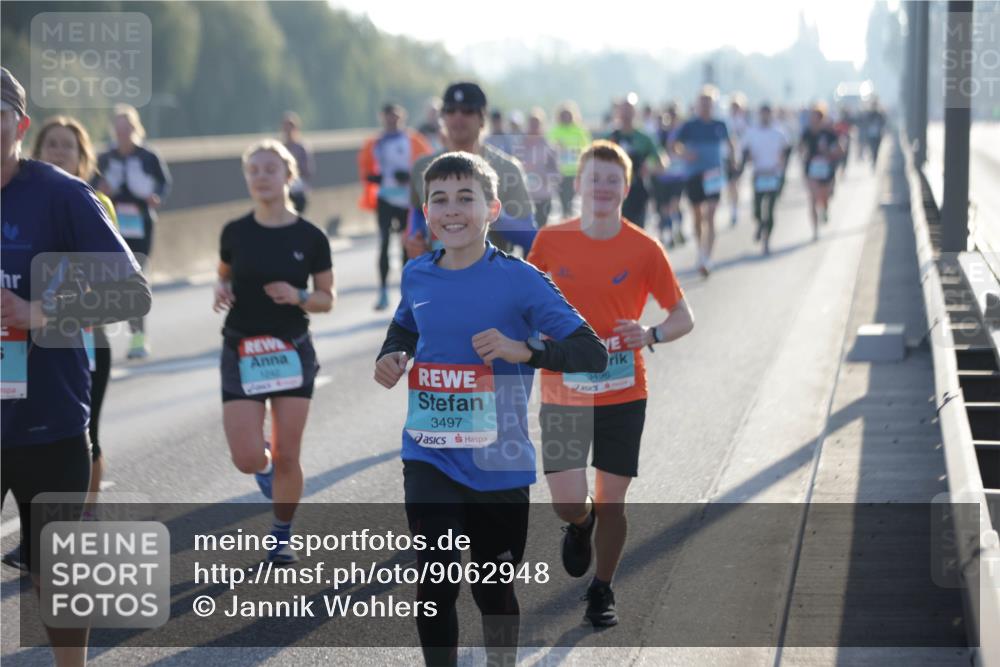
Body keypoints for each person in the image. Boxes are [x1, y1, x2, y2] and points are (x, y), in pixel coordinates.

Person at [374, 152, 607, 667]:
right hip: (429, 453)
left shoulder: (520, 280)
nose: (451, 210)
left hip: (498, 461)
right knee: (435, 584)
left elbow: (592, 351)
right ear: (426, 210)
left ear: (492, 208)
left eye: (465, 198)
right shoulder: (417, 274)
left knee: (491, 592)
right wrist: (391, 355)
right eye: (439, 199)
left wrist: (525, 351)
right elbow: (406, 327)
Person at [1, 67, 151, 667]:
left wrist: (38, 310)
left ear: (20, 125)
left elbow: (132, 294)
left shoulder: (62, 195)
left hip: (49, 418)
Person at [527, 140, 694, 628]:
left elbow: (682, 316)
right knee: (566, 501)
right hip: (562, 388)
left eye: (611, 180)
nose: (602, 188)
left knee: (613, 500)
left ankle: (602, 588)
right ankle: (580, 527)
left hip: (624, 390)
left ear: (626, 186)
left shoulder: (644, 247)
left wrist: (649, 334)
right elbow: (525, 304)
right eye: (593, 179)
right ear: (578, 185)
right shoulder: (549, 242)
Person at [213, 140, 334, 564]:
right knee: (248, 457)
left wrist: (297, 294)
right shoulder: (234, 232)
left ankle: (281, 534)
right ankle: (263, 471)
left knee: (288, 454)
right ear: (248, 179)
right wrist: (222, 289)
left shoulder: (310, 236)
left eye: (270, 169)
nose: (262, 177)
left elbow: (325, 299)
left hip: (291, 349)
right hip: (242, 348)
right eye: (254, 171)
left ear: (288, 175)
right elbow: (225, 272)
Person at [404, 82, 536, 259]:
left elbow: (531, 238)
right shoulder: (423, 167)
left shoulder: (507, 168)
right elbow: (417, 214)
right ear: (442, 117)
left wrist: (489, 213)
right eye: (451, 110)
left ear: (482, 118)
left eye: (467, 110)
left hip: (491, 280)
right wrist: (414, 239)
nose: (458, 117)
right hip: (437, 279)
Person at [96, 103, 170, 360]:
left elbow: (163, 183)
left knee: (135, 278)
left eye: (127, 130)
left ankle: (138, 336)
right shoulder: (105, 158)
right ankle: (98, 334)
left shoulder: (148, 156)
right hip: (112, 225)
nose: (123, 135)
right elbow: (91, 183)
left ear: (135, 129)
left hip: (140, 227)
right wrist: (100, 187)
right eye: (118, 130)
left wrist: (155, 196)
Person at [358, 103, 433, 310]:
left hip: (407, 201)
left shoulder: (414, 140)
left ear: (403, 118)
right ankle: (382, 291)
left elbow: (429, 166)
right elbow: (365, 168)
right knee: (383, 243)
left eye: (396, 117)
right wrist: (374, 177)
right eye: (388, 117)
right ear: (382, 118)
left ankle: (405, 294)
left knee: (405, 246)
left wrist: (409, 176)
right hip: (384, 198)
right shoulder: (375, 142)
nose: (392, 121)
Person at [672, 85, 735, 277]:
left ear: (713, 104)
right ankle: (700, 250)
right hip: (694, 174)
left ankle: (708, 257)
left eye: (709, 103)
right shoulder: (689, 126)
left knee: (711, 215)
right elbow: (673, 146)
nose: (706, 107)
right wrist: (685, 154)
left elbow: (730, 143)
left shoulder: (720, 124)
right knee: (698, 216)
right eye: (702, 103)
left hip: (714, 175)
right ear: (697, 105)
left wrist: (733, 162)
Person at [604, 95, 664, 229]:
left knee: (636, 233)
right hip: (612, 194)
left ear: (635, 113)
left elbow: (662, 163)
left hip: (637, 193)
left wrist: (649, 168)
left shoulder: (644, 138)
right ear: (617, 113)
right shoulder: (609, 137)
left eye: (629, 110)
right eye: (623, 110)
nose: (626, 114)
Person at [742, 104, 789, 254]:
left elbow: (786, 150)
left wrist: (782, 166)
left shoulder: (778, 132)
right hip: (759, 174)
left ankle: (766, 239)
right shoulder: (751, 132)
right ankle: (760, 225)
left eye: (767, 114)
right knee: (757, 208)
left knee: (770, 209)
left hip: (773, 174)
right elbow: (745, 150)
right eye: (762, 113)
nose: (765, 116)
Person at [799, 105, 842, 239]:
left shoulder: (829, 133)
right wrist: (803, 154)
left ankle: (824, 208)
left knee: (823, 196)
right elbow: (801, 147)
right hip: (811, 169)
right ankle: (815, 230)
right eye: (813, 117)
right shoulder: (807, 132)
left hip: (826, 168)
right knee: (812, 198)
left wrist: (828, 152)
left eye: (818, 117)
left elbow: (839, 149)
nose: (815, 120)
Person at [513, 108, 560, 228]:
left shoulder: (549, 147)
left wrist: (541, 173)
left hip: (543, 197)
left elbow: (556, 174)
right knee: (526, 234)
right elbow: (512, 168)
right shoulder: (519, 146)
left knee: (539, 231)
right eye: (531, 124)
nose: (533, 127)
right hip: (524, 198)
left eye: (536, 124)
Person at [547, 101, 591, 219]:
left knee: (570, 199)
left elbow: (586, 148)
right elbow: (549, 148)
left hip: (574, 171)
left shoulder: (579, 130)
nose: (566, 117)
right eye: (563, 114)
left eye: (568, 114)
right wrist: (557, 147)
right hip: (559, 172)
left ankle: (569, 219)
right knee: (562, 199)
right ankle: (565, 219)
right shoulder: (555, 130)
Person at [653, 104, 688, 248]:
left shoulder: (682, 133)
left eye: (674, 116)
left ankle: (677, 229)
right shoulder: (660, 134)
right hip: (663, 177)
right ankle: (667, 233)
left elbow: (685, 151)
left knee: (675, 204)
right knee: (664, 208)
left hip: (678, 176)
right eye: (670, 116)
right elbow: (656, 153)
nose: (672, 119)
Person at [280, 111, 315, 213]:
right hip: (283, 191)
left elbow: (308, 171)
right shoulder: (279, 147)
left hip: (298, 191)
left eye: (291, 126)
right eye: (286, 126)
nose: (288, 130)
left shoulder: (301, 148)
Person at [725, 95, 749, 227]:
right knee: (730, 185)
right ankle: (732, 207)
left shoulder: (743, 122)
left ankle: (735, 209)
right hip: (727, 157)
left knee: (735, 184)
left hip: (738, 157)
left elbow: (746, 140)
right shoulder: (726, 121)